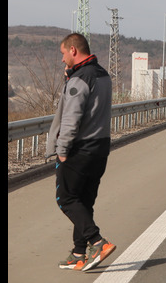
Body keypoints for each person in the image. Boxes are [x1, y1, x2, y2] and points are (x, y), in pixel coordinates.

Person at [46, 33, 117, 271]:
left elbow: (71, 118)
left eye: (63, 53)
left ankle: (97, 242)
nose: (62, 58)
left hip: (80, 148)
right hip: (100, 147)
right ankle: (78, 253)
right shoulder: (102, 74)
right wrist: (70, 77)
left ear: (74, 51)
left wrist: (63, 149)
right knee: (84, 202)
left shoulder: (80, 79)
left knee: (66, 199)